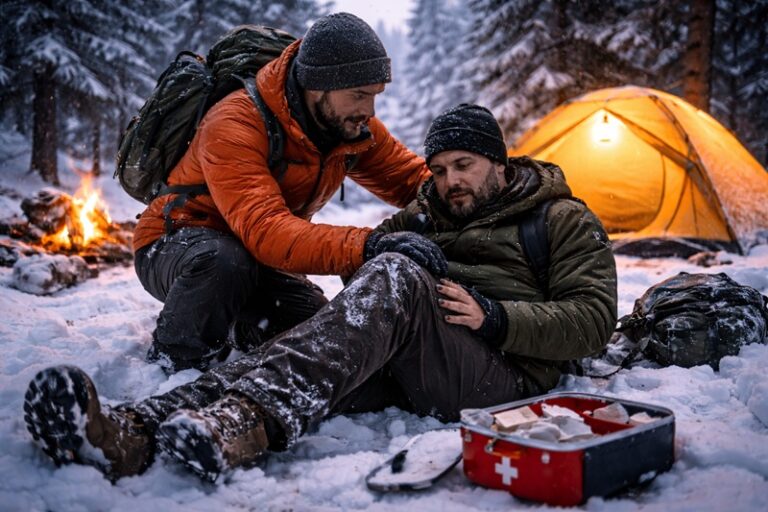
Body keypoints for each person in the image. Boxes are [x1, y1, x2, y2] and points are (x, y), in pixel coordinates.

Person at [24, 104, 618, 483]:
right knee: (306, 345)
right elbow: (366, 287)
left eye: (464, 165)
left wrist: (495, 318)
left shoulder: (558, 218)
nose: (450, 182)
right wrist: (379, 267)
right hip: (415, 362)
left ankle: (245, 421)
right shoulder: (425, 214)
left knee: (394, 274)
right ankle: (132, 431)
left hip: (498, 378)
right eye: (438, 170)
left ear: (498, 162)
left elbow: (594, 320)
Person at [133, 12, 432, 373]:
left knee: (315, 328)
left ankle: (242, 328)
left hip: (258, 258)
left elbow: (411, 180)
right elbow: (267, 230)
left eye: (375, 95)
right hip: (176, 242)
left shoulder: (349, 124)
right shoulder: (234, 122)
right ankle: (175, 359)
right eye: (358, 95)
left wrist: (476, 193)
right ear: (318, 87)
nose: (368, 110)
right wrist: (367, 246)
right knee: (224, 262)